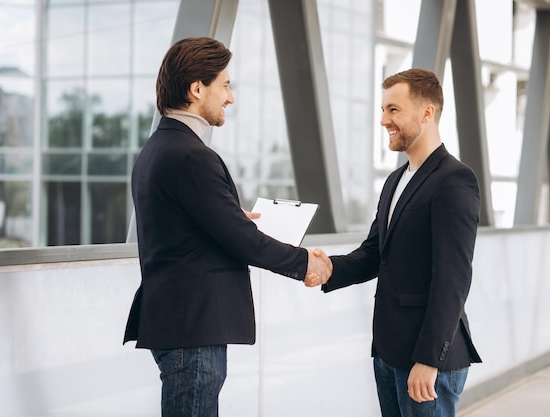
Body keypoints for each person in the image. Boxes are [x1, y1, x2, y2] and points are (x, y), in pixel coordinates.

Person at [123, 36, 330, 417]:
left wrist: (230, 216)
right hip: (194, 329)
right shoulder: (191, 156)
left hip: (179, 323)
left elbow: (190, 226)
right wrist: (305, 263)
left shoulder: (157, 149)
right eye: (226, 85)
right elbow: (243, 242)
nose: (230, 98)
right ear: (197, 88)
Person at [316, 68, 482, 417]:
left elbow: (452, 278)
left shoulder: (454, 180)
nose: (383, 121)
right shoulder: (395, 180)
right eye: (382, 110)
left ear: (426, 113)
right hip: (389, 351)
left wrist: (428, 359)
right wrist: (328, 268)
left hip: (425, 359)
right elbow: (376, 253)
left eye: (393, 110)